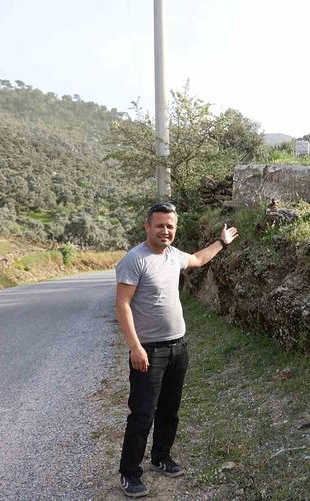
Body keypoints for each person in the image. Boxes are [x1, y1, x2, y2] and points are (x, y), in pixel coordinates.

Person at [115, 202, 238, 498]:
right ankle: (130, 473)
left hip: (177, 347)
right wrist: (135, 347)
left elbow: (197, 259)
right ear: (147, 227)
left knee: (169, 410)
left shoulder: (173, 256)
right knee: (143, 414)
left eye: (170, 226)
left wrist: (221, 242)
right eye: (159, 225)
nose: (165, 231)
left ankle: (160, 457)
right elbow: (122, 305)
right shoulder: (135, 259)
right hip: (149, 351)